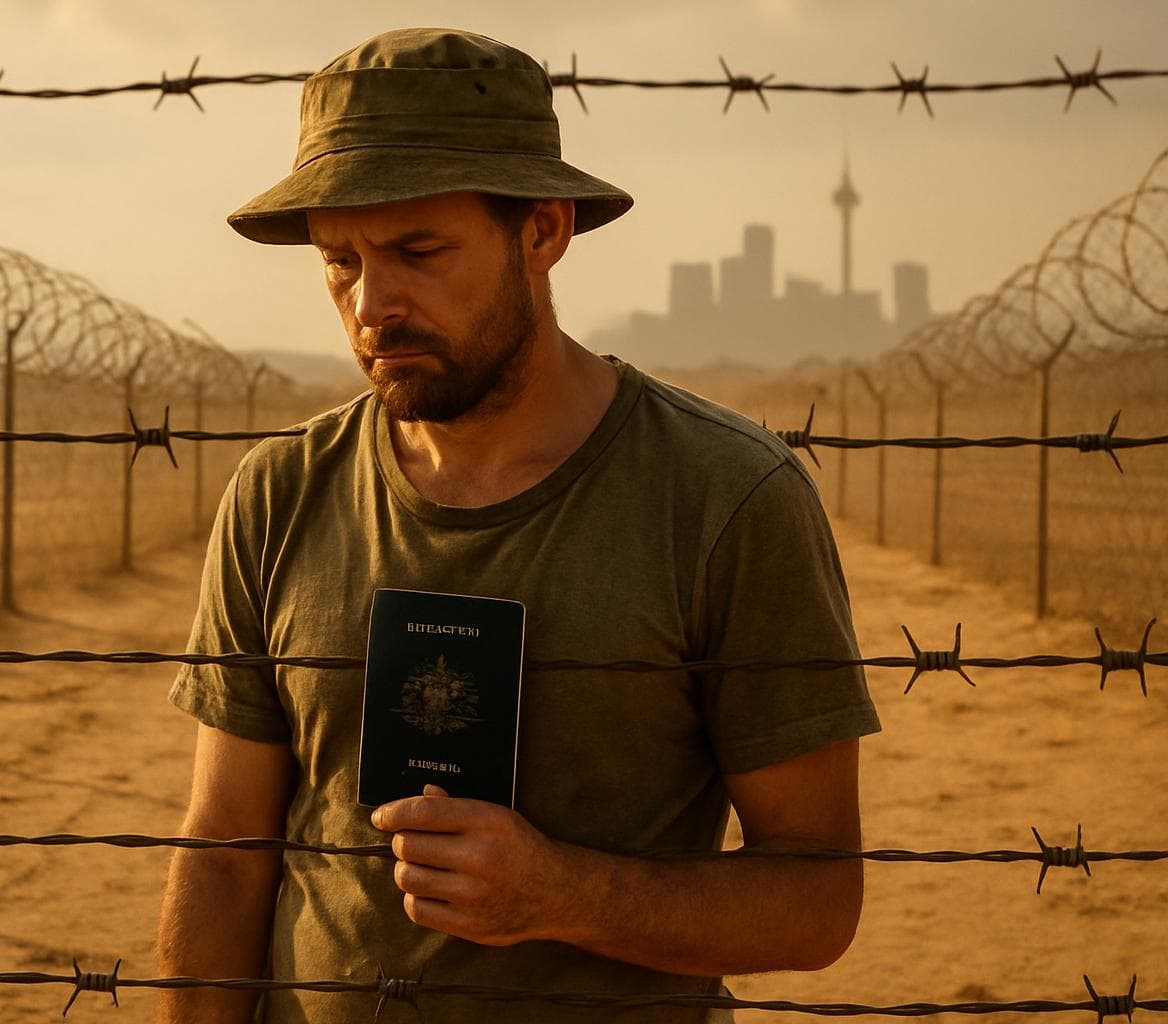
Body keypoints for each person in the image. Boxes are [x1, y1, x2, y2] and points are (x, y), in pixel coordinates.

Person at [156, 27, 880, 1024]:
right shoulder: (280, 492)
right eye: (339, 262)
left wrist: (560, 894)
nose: (372, 304)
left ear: (542, 232)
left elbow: (816, 899)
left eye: (418, 251)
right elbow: (227, 846)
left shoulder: (724, 497)